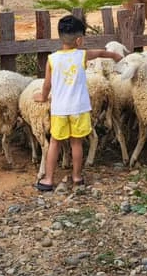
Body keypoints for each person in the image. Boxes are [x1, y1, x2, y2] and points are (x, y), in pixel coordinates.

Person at [33, 15, 123, 192]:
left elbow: (47, 84)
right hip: (79, 109)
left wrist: (42, 97)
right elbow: (100, 53)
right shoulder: (82, 55)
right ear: (79, 39)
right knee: (77, 144)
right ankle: (77, 177)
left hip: (59, 110)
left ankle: (49, 179)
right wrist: (114, 55)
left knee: (54, 143)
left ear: (60, 36)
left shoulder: (52, 59)